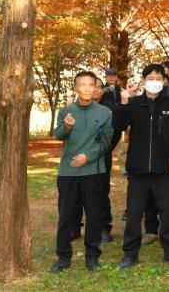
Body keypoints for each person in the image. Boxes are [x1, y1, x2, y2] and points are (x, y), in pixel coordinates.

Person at [115, 64, 169, 269]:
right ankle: (130, 254)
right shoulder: (134, 103)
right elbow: (118, 125)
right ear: (143, 81)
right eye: (150, 78)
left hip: (165, 169)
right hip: (138, 170)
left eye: (158, 78)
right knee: (134, 214)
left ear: (164, 81)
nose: (154, 81)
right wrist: (124, 102)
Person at [50, 71, 113, 273]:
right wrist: (67, 127)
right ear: (76, 88)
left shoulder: (104, 112)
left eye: (90, 84)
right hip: (68, 172)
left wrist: (88, 156)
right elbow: (58, 135)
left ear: (95, 88)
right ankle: (63, 257)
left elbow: (106, 142)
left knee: (94, 215)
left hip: (94, 171)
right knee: (66, 217)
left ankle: (92, 256)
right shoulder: (66, 111)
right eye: (82, 84)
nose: (87, 88)